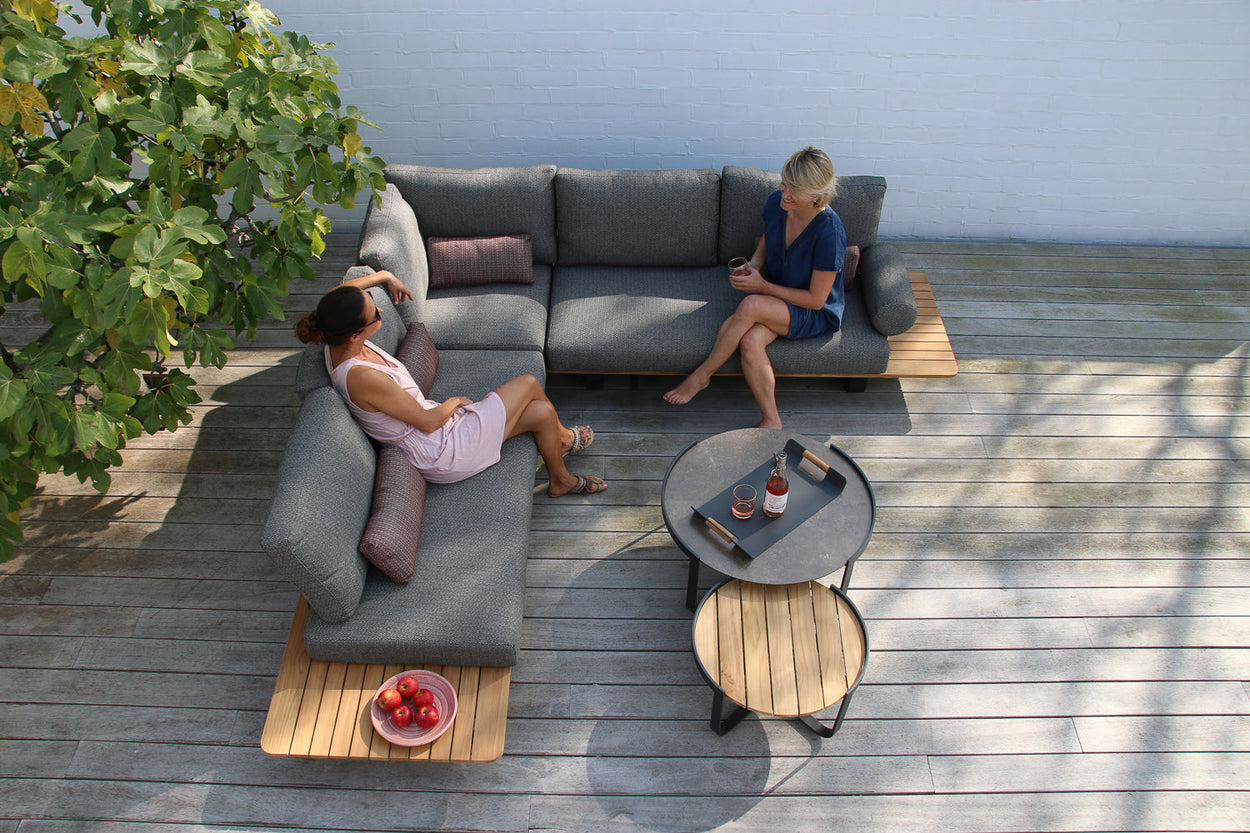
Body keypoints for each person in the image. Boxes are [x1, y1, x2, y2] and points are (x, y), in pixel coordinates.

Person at [295, 270, 606, 497]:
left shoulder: (332, 325)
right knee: (528, 383)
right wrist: (456, 401)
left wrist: (384, 276)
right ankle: (564, 440)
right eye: (375, 313)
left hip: (440, 430)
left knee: (539, 412)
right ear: (355, 335)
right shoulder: (362, 377)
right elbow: (429, 422)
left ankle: (559, 479)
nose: (380, 310)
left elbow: (343, 292)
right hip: (440, 449)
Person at [664, 147, 847, 429]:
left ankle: (701, 376)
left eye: (794, 190)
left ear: (816, 194)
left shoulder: (829, 232)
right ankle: (772, 420)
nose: (785, 193)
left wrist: (762, 286)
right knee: (749, 342)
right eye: (784, 183)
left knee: (750, 306)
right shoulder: (778, 202)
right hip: (778, 293)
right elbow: (767, 237)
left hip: (814, 312)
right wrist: (755, 264)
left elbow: (815, 300)